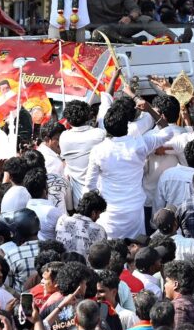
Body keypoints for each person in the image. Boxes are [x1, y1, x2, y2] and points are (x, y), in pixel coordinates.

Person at [85, 99, 173, 238]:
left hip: (109, 214)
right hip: (134, 211)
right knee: (136, 248)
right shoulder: (140, 144)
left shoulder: (98, 151)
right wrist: (150, 110)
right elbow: (168, 131)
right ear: (127, 126)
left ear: (106, 127)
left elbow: (90, 186)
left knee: (110, 250)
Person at [59, 100, 106, 207]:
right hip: (100, 194)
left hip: (78, 199)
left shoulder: (64, 137)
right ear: (88, 115)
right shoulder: (99, 134)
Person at [55, 191, 108, 257]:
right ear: (93, 213)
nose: (99, 217)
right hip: (83, 263)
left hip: (62, 262)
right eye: (99, 214)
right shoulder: (100, 230)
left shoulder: (62, 220)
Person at [163, 260, 194, 329]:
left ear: (175, 284)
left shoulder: (178, 306)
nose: (164, 285)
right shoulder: (192, 302)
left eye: (167, 281)